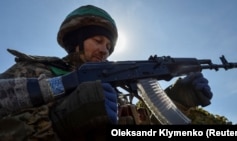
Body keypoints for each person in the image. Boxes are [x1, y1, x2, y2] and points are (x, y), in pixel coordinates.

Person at [0, 5, 213, 141]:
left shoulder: (113, 92)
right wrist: (58, 122)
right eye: (98, 41)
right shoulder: (34, 72)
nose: (104, 50)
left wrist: (177, 101)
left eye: (109, 45)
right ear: (77, 42)